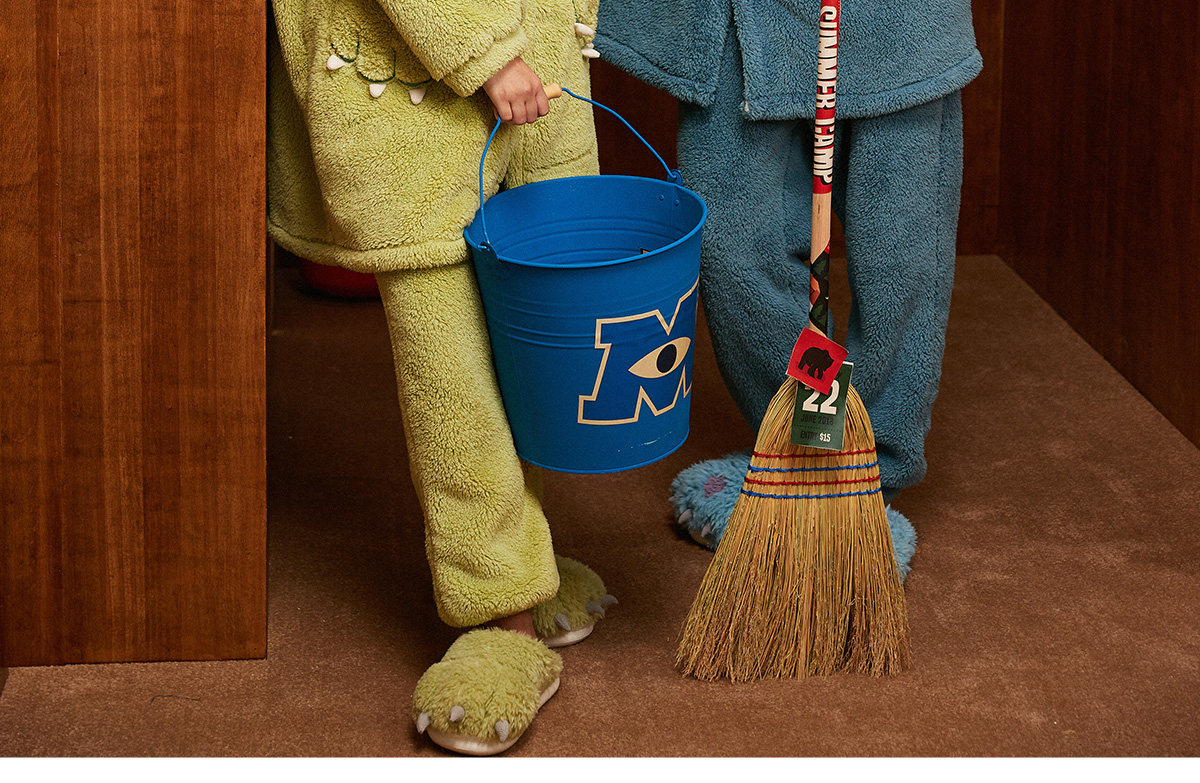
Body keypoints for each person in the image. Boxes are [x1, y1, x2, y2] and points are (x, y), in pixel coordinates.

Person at [267, 0, 611, 755]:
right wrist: (485, 54)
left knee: (522, 353)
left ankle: (523, 564)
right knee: (452, 385)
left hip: (533, 84)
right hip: (417, 116)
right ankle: (500, 616)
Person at [595, 0, 981, 559]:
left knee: (902, 256)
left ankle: (868, 472)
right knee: (734, 245)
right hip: (735, 23)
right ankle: (807, 447)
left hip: (904, 27)